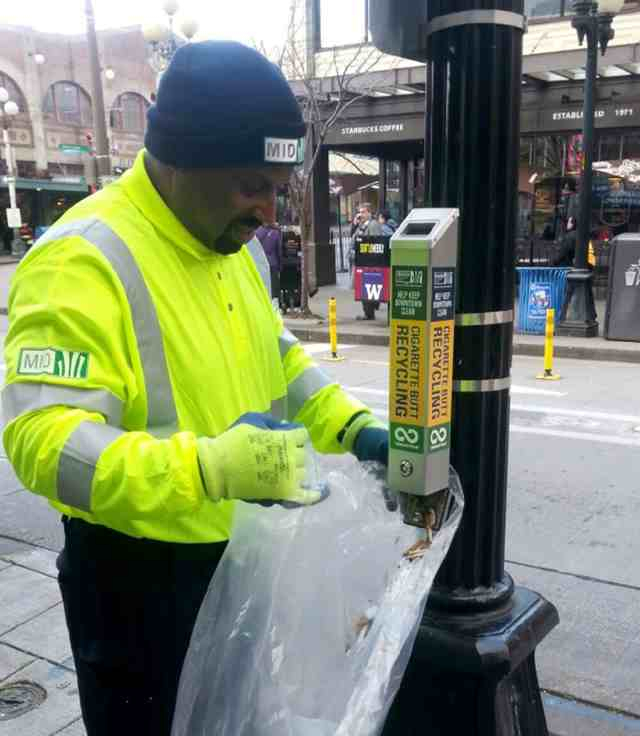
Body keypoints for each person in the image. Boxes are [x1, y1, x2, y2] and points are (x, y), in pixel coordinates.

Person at [1, 41, 388, 736]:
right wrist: (210, 469)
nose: (269, 212)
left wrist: (355, 428)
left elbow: (278, 360)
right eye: (251, 185)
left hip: (239, 564)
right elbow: (43, 441)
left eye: (277, 187)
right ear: (178, 161)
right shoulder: (80, 259)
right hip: (138, 592)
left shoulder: (231, 248)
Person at [254, 220, 283, 298]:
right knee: (273, 289)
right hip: (272, 264)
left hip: (259, 264)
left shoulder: (256, 232)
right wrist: (280, 266)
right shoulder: (275, 233)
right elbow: (278, 250)